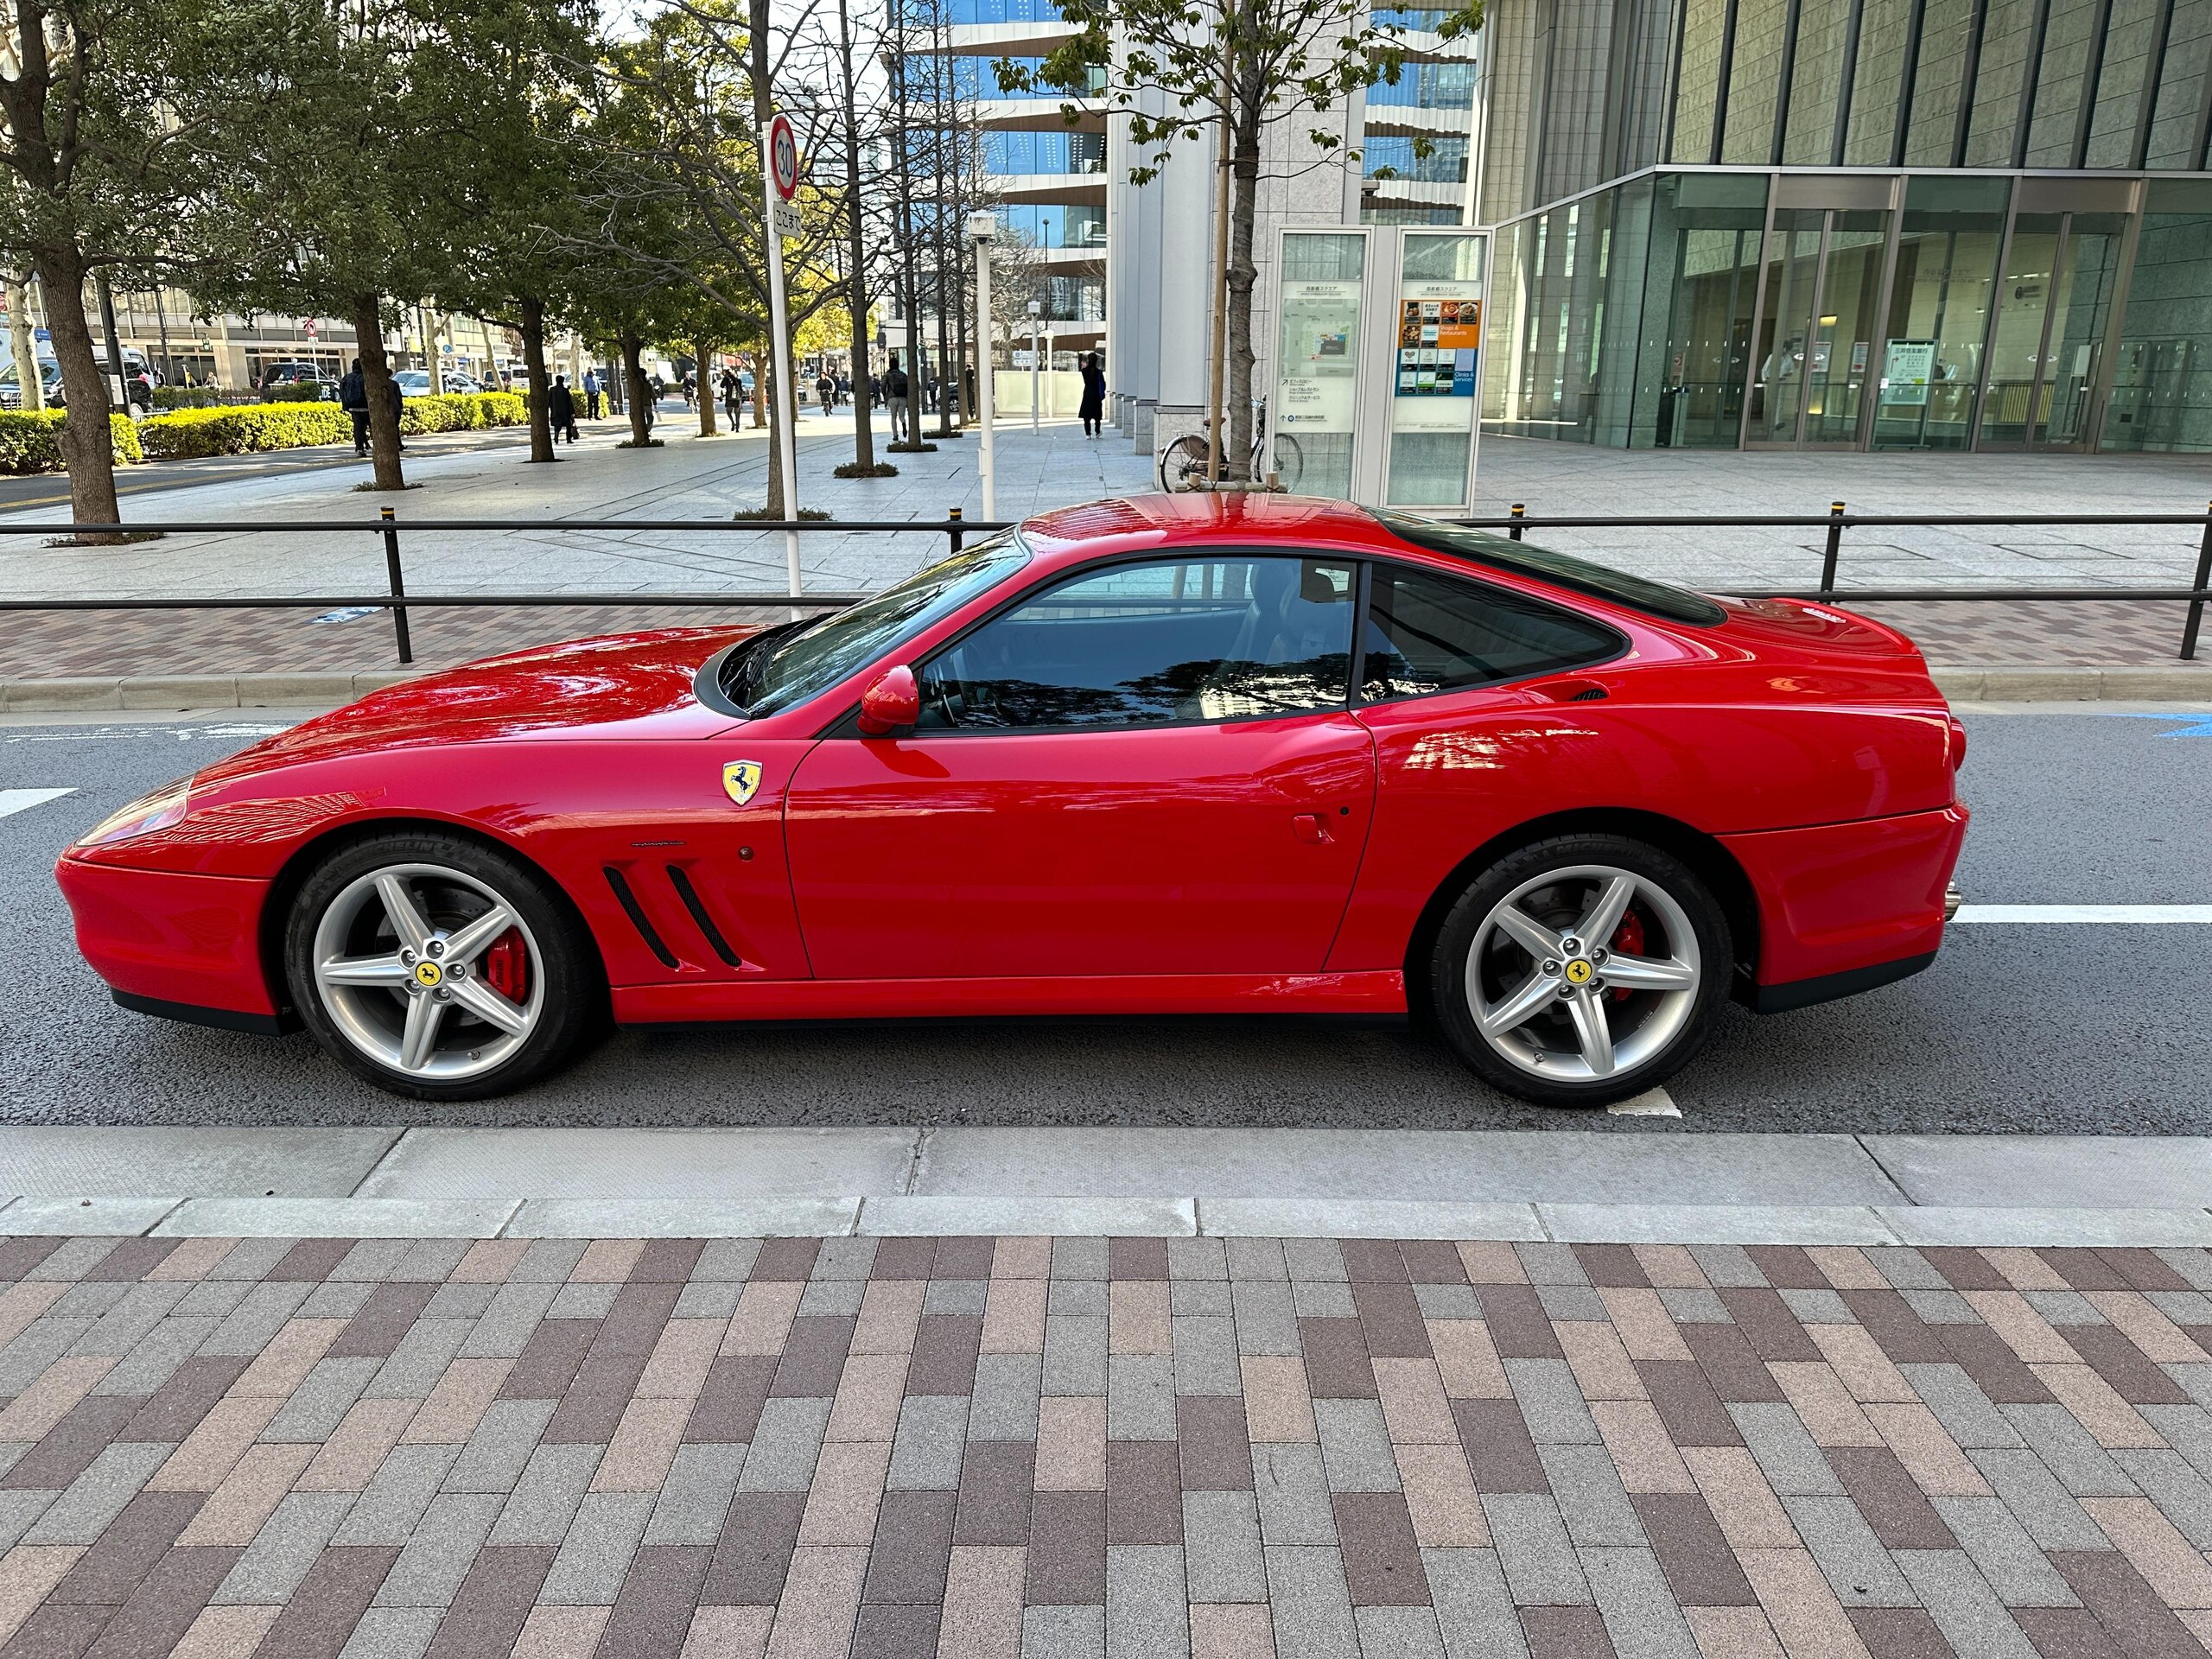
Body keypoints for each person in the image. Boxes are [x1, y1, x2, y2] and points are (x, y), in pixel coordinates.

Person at [339, 358, 370, 455]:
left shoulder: (346, 378)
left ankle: (359, 448)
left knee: (357, 428)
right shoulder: (366, 377)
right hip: (366, 407)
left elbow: (342, 392)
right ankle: (375, 446)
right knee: (372, 427)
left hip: (353, 408)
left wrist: (345, 406)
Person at [1078, 351, 1106, 438]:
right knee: (1097, 415)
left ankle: (1088, 433)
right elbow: (1103, 384)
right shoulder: (1099, 372)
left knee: (1087, 415)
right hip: (1096, 394)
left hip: (1087, 394)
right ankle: (1097, 431)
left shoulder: (1084, 371)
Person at [883, 353, 910, 442]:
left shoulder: (888, 375)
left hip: (892, 397)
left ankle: (895, 435)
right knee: (902, 416)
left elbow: (882, 385)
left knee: (893, 417)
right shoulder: (903, 374)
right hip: (902, 397)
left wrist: (885, 395)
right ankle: (903, 423)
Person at [548, 373, 578, 445]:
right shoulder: (565, 390)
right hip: (565, 411)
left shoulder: (552, 390)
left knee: (557, 425)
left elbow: (548, 400)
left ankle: (556, 435)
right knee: (568, 425)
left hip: (555, 410)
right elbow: (569, 402)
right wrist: (572, 412)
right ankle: (568, 439)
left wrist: (551, 407)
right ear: (563, 381)